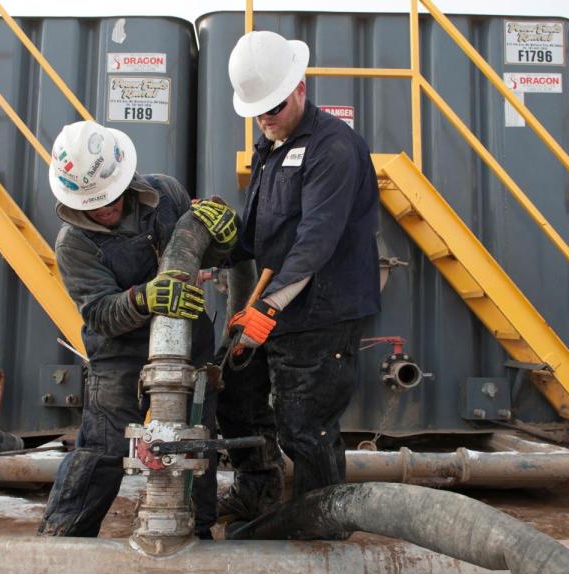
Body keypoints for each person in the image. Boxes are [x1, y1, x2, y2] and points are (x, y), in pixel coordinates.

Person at [37, 121, 238, 539]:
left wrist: (222, 240)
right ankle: (63, 538)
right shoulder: (73, 243)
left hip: (187, 337)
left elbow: (197, 248)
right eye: (94, 203)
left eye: (109, 198)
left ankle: (195, 533)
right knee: (104, 446)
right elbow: (99, 313)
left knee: (195, 437)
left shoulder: (165, 193)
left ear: (125, 178)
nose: (105, 209)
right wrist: (145, 299)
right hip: (119, 348)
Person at [216, 30, 381, 522]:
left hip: (323, 313)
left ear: (301, 88)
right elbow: (255, 234)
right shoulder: (269, 145)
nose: (266, 117)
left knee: (305, 425)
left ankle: (322, 521)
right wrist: (211, 257)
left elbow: (315, 239)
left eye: (275, 106)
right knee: (237, 393)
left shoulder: (334, 148)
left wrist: (267, 306)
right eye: (258, 110)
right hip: (280, 307)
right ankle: (260, 490)